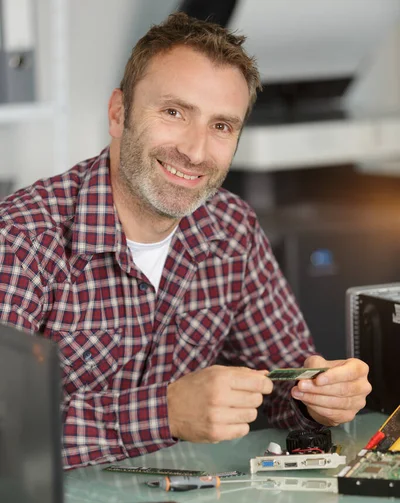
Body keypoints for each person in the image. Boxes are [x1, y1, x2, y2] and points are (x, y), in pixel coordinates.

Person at [0, 12, 371, 470]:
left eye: (221, 126)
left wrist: (319, 397)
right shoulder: (20, 241)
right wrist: (165, 412)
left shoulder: (232, 230)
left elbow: (280, 386)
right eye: (174, 112)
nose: (196, 152)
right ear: (119, 114)